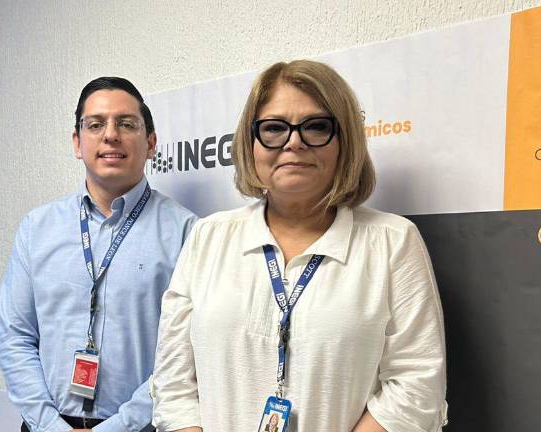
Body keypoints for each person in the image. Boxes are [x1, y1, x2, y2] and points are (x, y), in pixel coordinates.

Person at [151, 60, 448, 431]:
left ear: (345, 142)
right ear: (250, 143)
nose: (294, 142)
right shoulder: (208, 237)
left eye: (316, 127)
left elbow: (417, 384)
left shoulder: (393, 242)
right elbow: (173, 384)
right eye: (274, 128)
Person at [0, 76, 197, 432]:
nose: (111, 135)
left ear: (151, 143)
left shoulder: (186, 232)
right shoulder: (37, 228)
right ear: (77, 142)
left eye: (127, 124)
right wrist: (50, 426)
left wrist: (117, 428)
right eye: (95, 124)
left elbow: (183, 355)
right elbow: (14, 338)